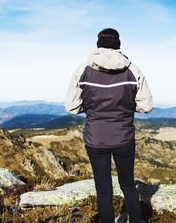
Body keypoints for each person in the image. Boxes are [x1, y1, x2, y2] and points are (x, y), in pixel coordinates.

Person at [65, 28, 153, 223]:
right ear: (118, 44)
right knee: (128, 185)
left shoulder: (83, 70)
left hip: (95, 139)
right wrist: (127, 108)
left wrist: (91, 108)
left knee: (103, 188)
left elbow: (71, 107)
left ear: (98, 45)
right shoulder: (133, 70)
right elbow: (146, 106)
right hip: (124, 137)